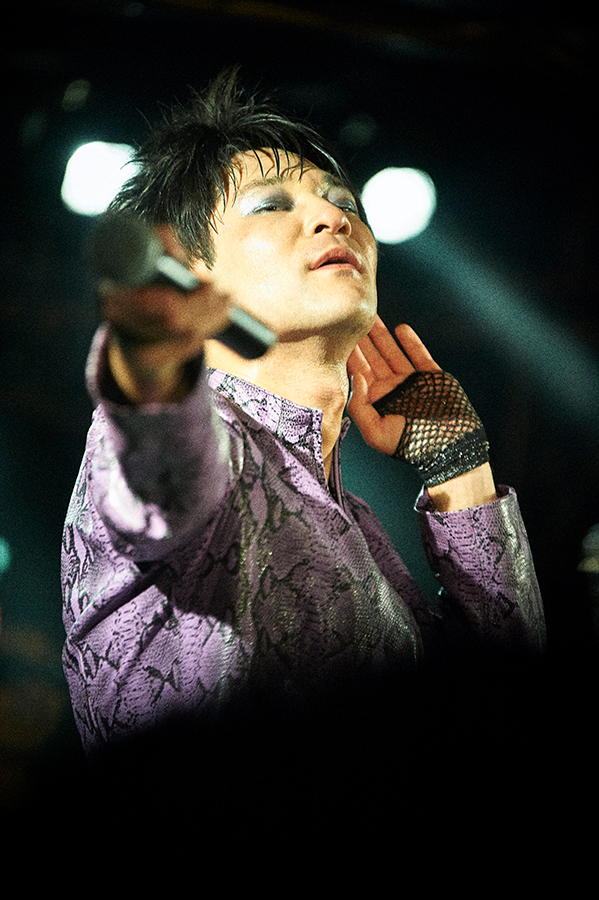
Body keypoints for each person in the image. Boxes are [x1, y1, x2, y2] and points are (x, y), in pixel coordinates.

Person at [61, 70, 545, 756]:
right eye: (269, 204)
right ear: (192, 275)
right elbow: (163, 469)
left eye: (342, 200)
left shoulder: (357, 528)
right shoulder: (209, 446)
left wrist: (459, 469)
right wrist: (154, 362)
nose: (332, 216)